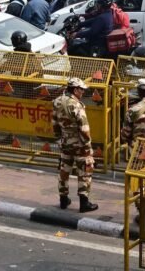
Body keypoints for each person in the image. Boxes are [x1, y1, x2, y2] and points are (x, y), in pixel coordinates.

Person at [52, 77, 98, 212]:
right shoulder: (77, 105)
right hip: (80, 145)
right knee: (85, 171)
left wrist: (60, 139)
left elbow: (54, 124)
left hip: (65, 143)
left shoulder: (57, 101)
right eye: (81, 90)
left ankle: (63, 199)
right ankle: (84, 203)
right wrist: (88, 146)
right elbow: (84, 128)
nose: (83, 92)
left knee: (64, 171)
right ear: (75, 89)